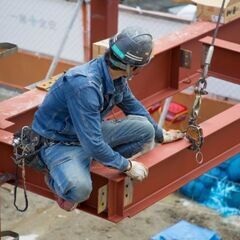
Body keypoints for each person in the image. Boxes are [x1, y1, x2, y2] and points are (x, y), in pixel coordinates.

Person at [32, 26, 184, 211]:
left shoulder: (115, 76)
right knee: (79, 191)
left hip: (86, 136)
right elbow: (93, 143)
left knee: (146, 130)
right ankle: (55, 175)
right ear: (132, 67)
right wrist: (126, 166)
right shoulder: (85, 85)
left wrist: (161, 135)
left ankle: (90, 161)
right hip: (57, 143)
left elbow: (133, 106)